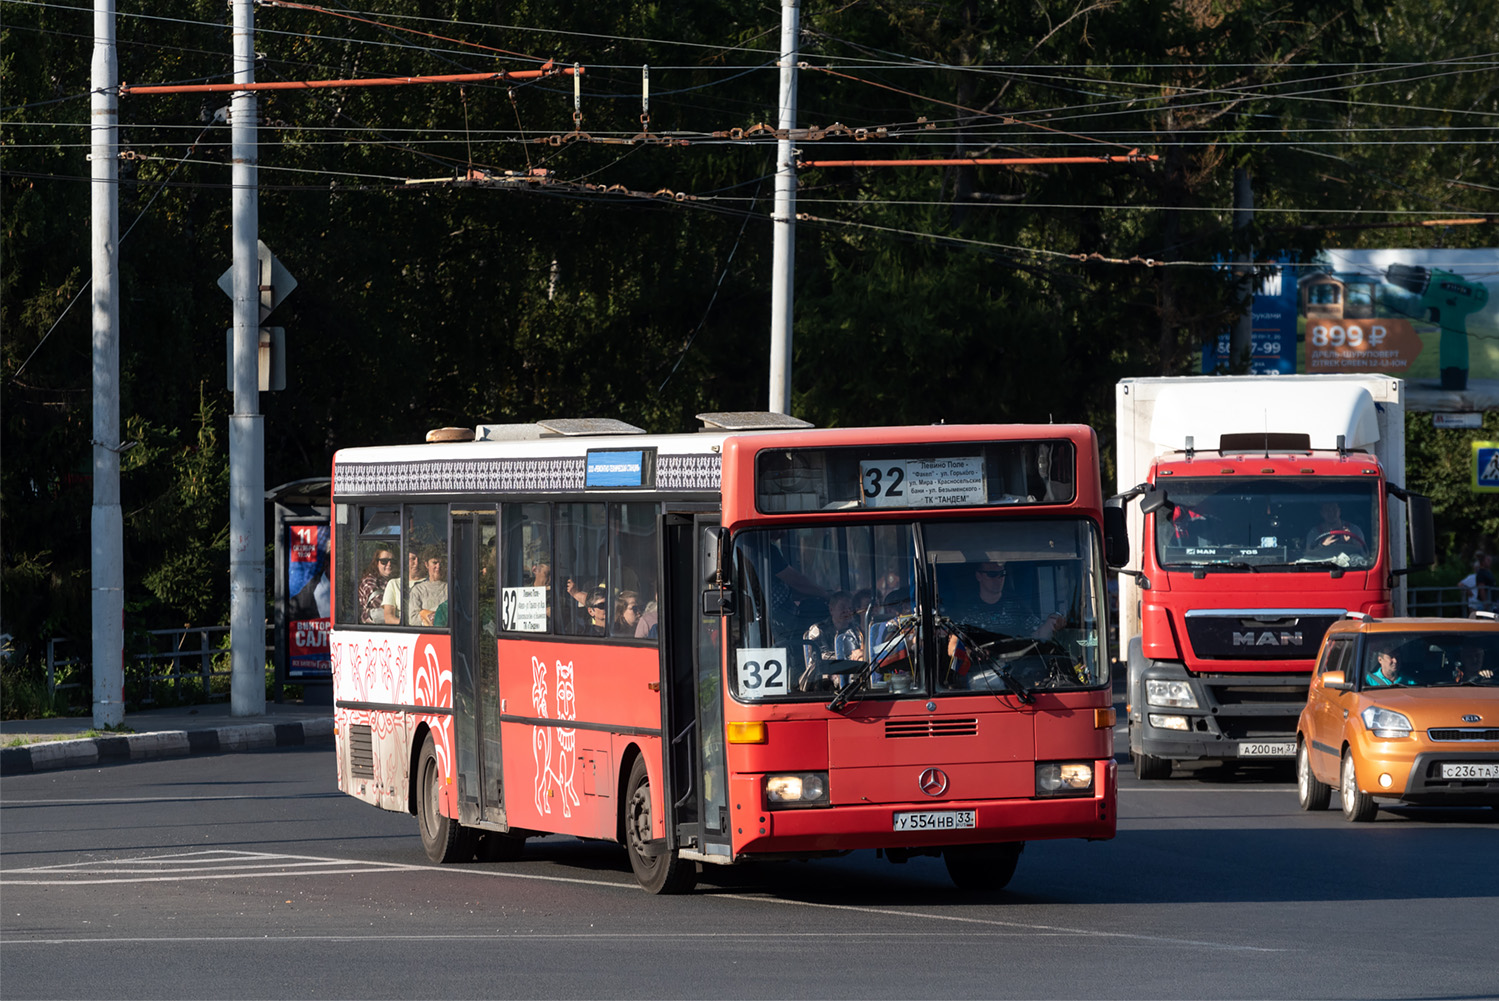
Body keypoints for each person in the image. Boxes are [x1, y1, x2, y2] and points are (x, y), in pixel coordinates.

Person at [799, 591, 864, 691]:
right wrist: (850, 658)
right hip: (823, 680)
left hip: (854, 676)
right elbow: (819, 657)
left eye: (850, 608)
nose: (847, 611)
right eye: (842, 607)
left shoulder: (857, 630)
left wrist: (862, 653)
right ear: (831, 609)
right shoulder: (818, 630)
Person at [382, 548, 426, 625]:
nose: (416, 563)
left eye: (420, 559)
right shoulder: (394, 584)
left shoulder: (431, 584)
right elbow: (388, 618)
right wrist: (408, 626)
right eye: (412, 559)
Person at [408, 546, 448, 627]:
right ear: (426, 564)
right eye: (435, 563)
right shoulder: (418, 590)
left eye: (441, 563)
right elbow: (413, 619)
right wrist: (435, 617)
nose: (438, 566)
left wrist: (426, 614)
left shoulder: (450, 588)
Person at [356, 548, 396, 625]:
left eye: (392, 561)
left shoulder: (393, 580)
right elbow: (376, 601)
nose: (389, 564)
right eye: (384, 561)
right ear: (376, 563)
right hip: (373, 627)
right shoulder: (369, 581)